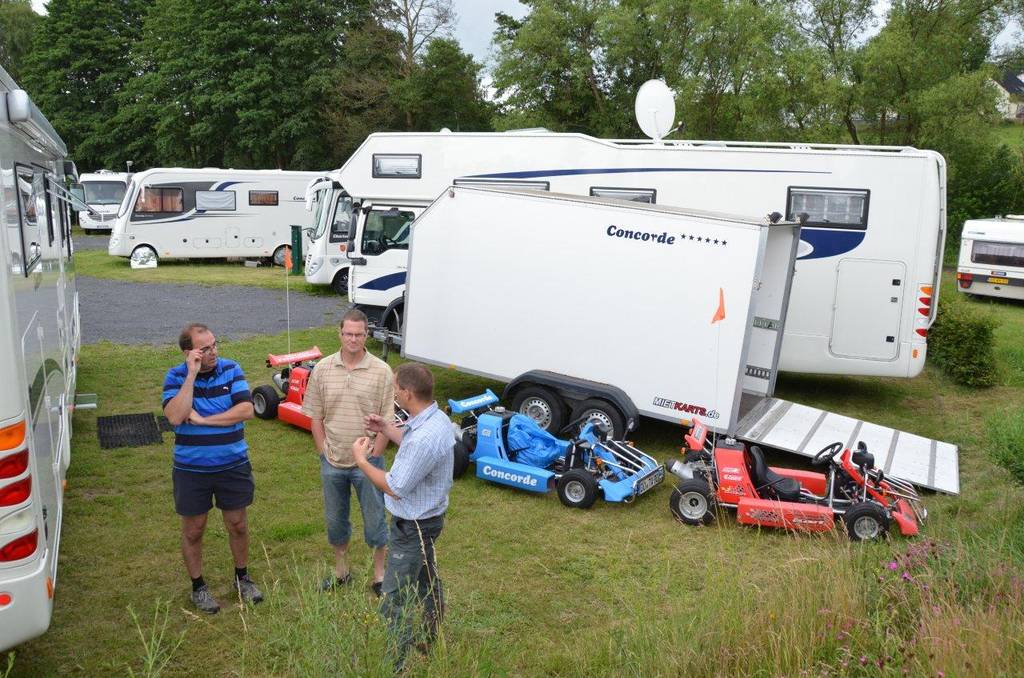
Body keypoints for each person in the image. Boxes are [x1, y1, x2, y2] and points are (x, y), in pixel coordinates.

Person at [353, 362, 454, 670]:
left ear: (408, 393)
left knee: (393, 598)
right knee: (426, 582)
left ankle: (393, 664)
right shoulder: (436, 419)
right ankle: (428, 635)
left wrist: (361, 460)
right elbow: (411, 442)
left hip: (413, 527)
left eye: (396, 387)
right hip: (429, 521)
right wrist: (386, 428)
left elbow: (395, 486)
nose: (394, 391)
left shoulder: (424, 438)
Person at [162, 323, 263, 614]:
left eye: (215, 345)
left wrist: (205, 420)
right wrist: (191, 375)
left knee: (238, 524)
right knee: (193, 530)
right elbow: (176, 416)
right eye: (204, 349)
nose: (213, 353)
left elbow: (246, 411)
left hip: (233, 465)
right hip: (191, 469)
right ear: (188, 352)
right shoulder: (176, 376)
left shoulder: (231, 369)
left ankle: (242, 578)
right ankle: (198, 587)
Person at [302, 309, 394, 594]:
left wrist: (374, 455)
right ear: (339, 334)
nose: (353, 339)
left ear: (366, 335)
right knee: (335, 519)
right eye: (348, 334)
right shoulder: (322, 369)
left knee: (375, 519)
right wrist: (322, 450)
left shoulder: (381, 371)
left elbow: (387, 421)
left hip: (368, 463)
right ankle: (341, 572)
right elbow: (315, 415)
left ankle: (380, 576)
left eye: (359, 334)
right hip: (332, 460)